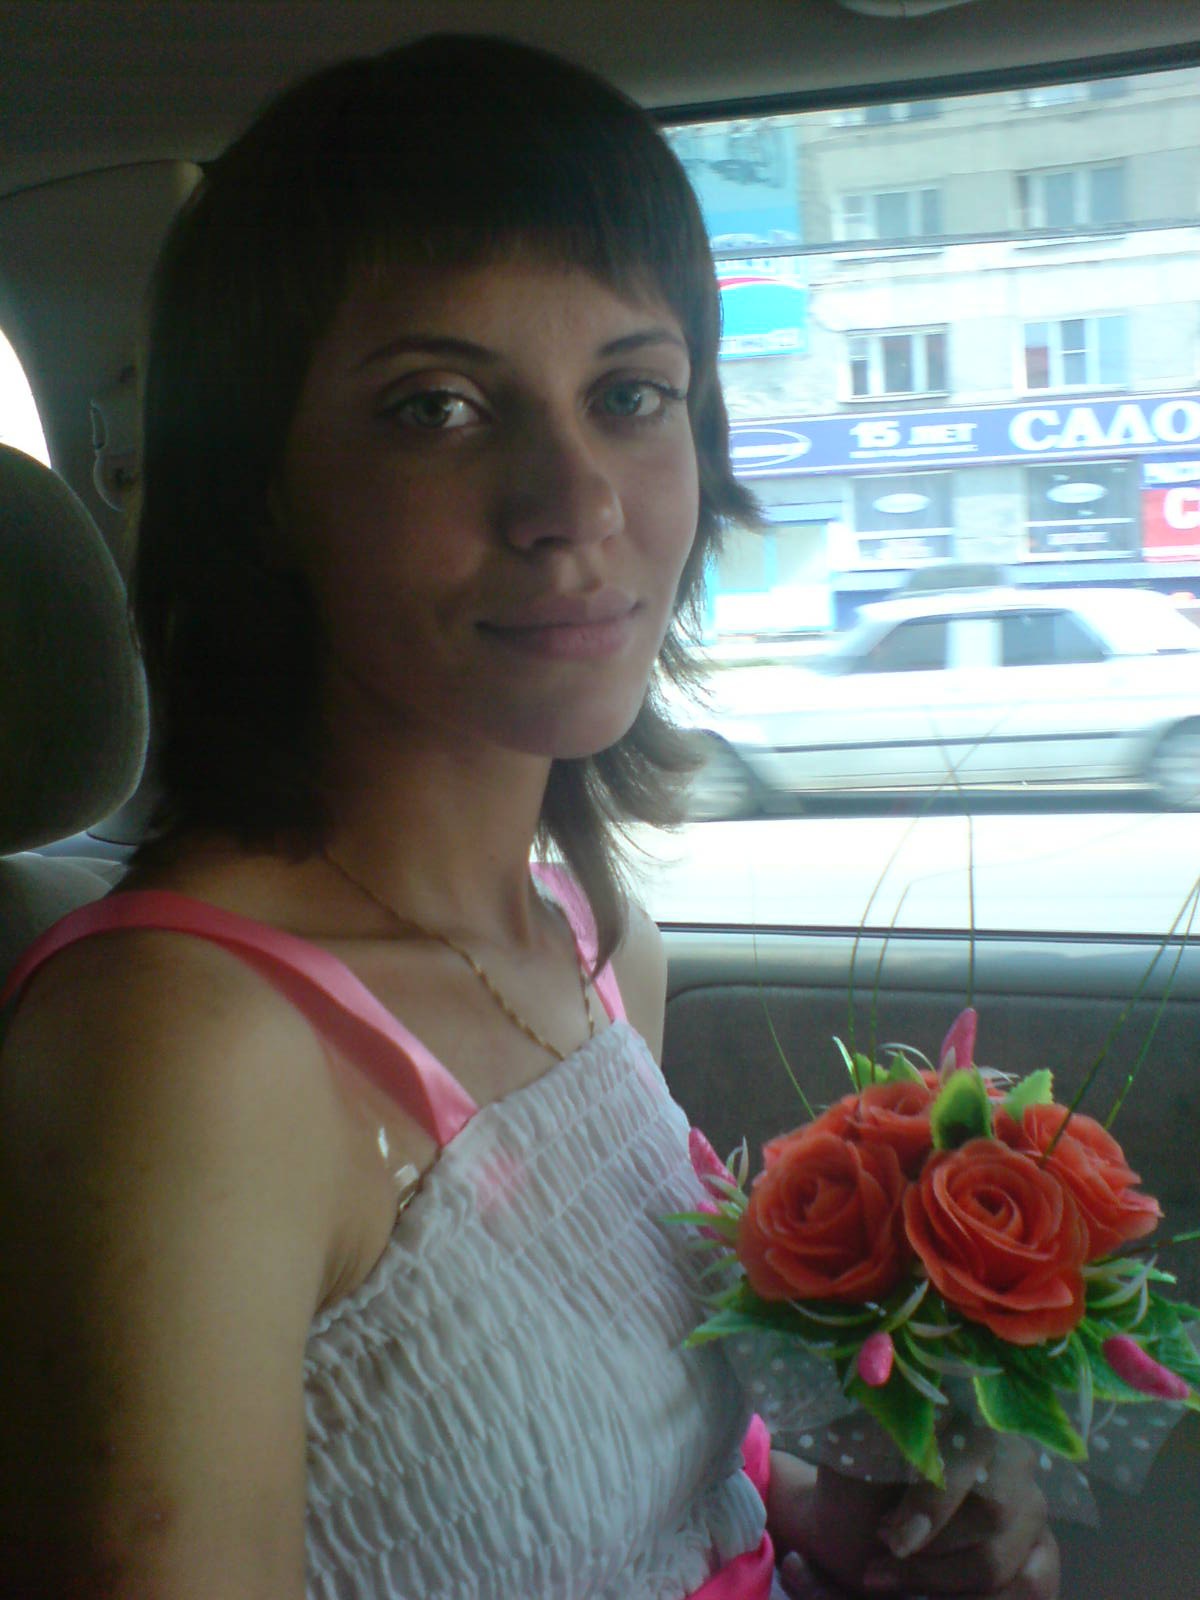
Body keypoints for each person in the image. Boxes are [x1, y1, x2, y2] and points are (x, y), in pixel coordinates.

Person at [0, 35, 1059, 1600]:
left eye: (632, 395)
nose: (577, 503)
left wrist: (833, 1529)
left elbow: (600, 1478)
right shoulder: (180, 1048)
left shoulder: (592, 937)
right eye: (436, 407)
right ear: (260, 485)